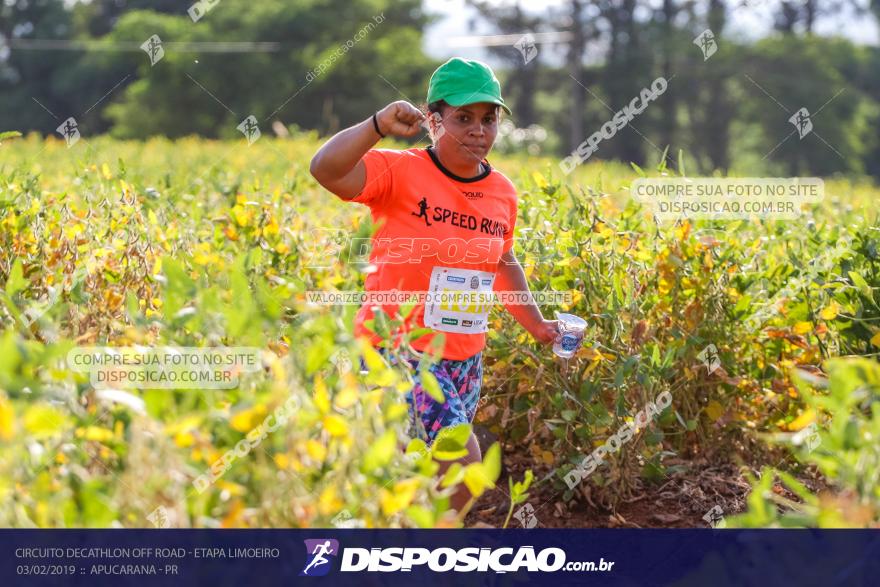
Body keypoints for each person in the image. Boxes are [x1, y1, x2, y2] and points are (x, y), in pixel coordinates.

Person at [310, 57, 558, 512]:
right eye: (463, 118)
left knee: (419, 465)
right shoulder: (399, 171)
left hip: (465, 354)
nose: (478, 131)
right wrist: (376, 125)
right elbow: (326, 169)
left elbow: (502, 261)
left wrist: (538, 325)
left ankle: (408, 543)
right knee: (461, 458)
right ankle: (445, 547)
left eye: (489, 119)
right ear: (433, 120)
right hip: (399, 347)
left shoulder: (502, 190)